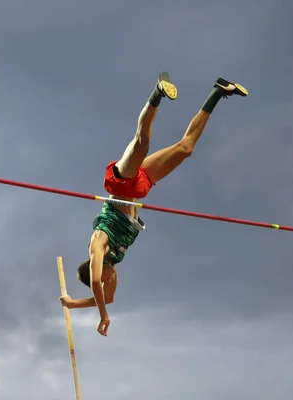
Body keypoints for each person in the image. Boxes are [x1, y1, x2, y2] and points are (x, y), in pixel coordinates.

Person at [59, 72, 247, 336]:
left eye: (104, 279)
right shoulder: (115, 260)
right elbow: (107, 297)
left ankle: (157, 91)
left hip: (122, 183)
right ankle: (218, 91)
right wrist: (72, 305)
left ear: (97, 271)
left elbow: (96, 284)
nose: (110, 281)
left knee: (141, 143)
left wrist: (103, 316)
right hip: (141, 187)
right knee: (186, 148)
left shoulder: (97, 245)